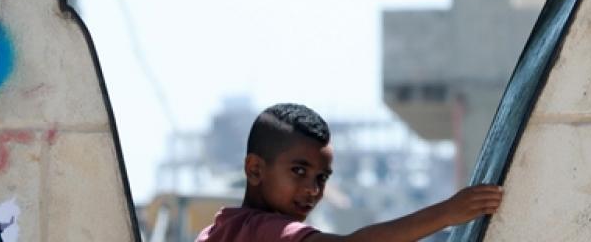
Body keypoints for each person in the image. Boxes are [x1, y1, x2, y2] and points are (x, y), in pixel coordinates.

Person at [196, 104, 503, 242]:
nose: (313, 189)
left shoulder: (215, 232)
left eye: (322, 178)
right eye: (299, 171)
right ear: (254, 169)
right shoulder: (265, 231)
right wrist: (447, 212)